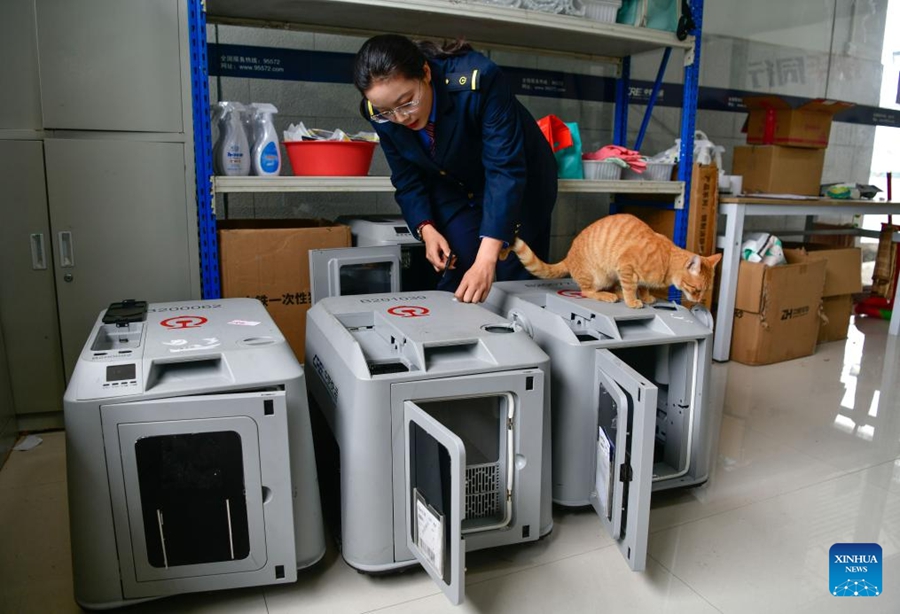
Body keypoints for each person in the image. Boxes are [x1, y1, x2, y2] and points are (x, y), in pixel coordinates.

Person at [353, 34, 558, 303]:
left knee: (514, 277)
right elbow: (407, 178)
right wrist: (426, 229)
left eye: (407, 102)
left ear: (425, 73)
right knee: (457, 271)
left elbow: (504, 170)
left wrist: (486, 260)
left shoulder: (478, 80)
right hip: (454, 183)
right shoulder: (377, 110)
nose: (400, 118)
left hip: (517, 181)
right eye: (387, 111)